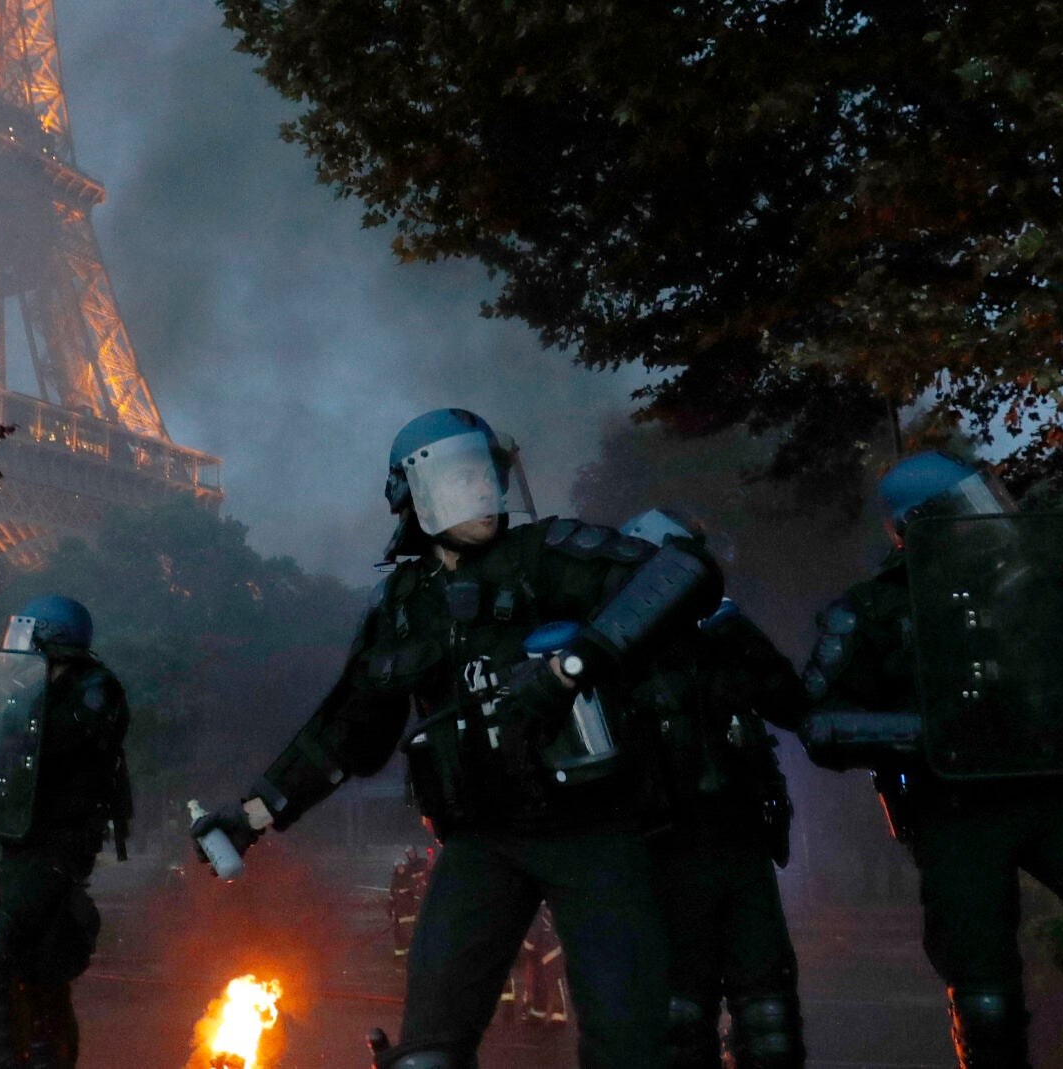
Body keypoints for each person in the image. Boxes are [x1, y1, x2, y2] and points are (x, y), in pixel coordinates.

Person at [190, 408, 722, 1069]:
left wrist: (582, 660)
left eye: (485, 474)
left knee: (632, 1049)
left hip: (592, 834)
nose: (478, 490)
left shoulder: (549, 555)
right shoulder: (407, 606)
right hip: (481, 843)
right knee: (426, 1053)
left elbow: (686, 573)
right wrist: (251, 814)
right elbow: (344, 730)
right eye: (458, 476)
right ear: (413, 497)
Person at [799, 451, 1063, 1069]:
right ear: (924, 522)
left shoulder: (1041, 580)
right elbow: (820, 724)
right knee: (986, 1004)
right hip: (956, 815)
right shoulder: (873, 609)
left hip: (1055, 798)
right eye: (972, 501)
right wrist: (939, 730)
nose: (997, 509)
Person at [619, 509, 807, 1069]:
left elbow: (793, 707)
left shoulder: (726, 639)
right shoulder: (619, 655)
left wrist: (742, 635)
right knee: (680, 1021)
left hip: (744, 851)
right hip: (665, 860)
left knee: (770, 1020)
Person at [0, 595, 133, 1069]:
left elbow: (46, 746)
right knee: (38, 973)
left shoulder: (95, 690)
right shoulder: (37, 687)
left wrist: (20, 700)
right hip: (24, 839)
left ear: (51, 639)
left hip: (59, 842)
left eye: (28, 634)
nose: (17, 643)